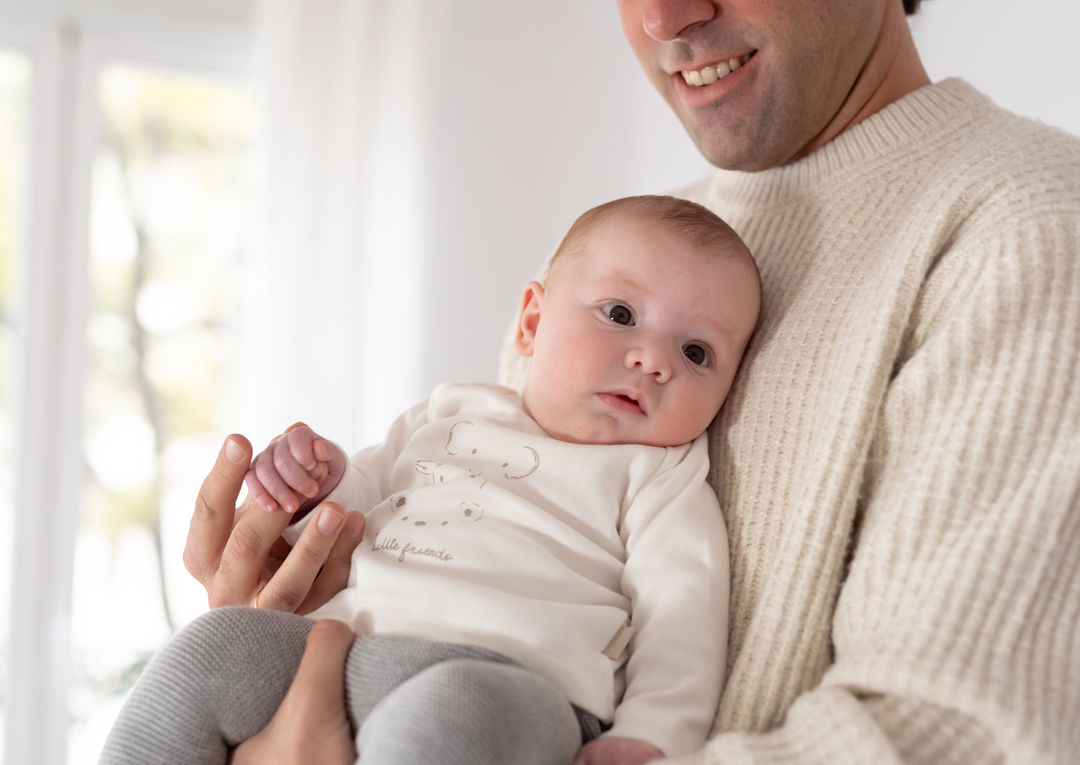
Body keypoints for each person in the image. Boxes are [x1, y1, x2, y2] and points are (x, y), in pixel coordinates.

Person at [182, 1, 1080, 763]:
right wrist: (286, 626)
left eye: (697, 355)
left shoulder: (1027, 228)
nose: (662, 17)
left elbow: (953, 734)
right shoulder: (618, 262)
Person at [101, 195, 763, 765]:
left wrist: (652, 731)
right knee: (212, 644)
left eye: (696, 351)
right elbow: (357, 501)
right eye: (620, 314)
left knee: (454, 713)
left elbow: (682, 612)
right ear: (532, 322)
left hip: (509, 687)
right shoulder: (449, 411)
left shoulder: (661, 473)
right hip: (342, 645)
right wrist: (314, 479)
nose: (653, 360)